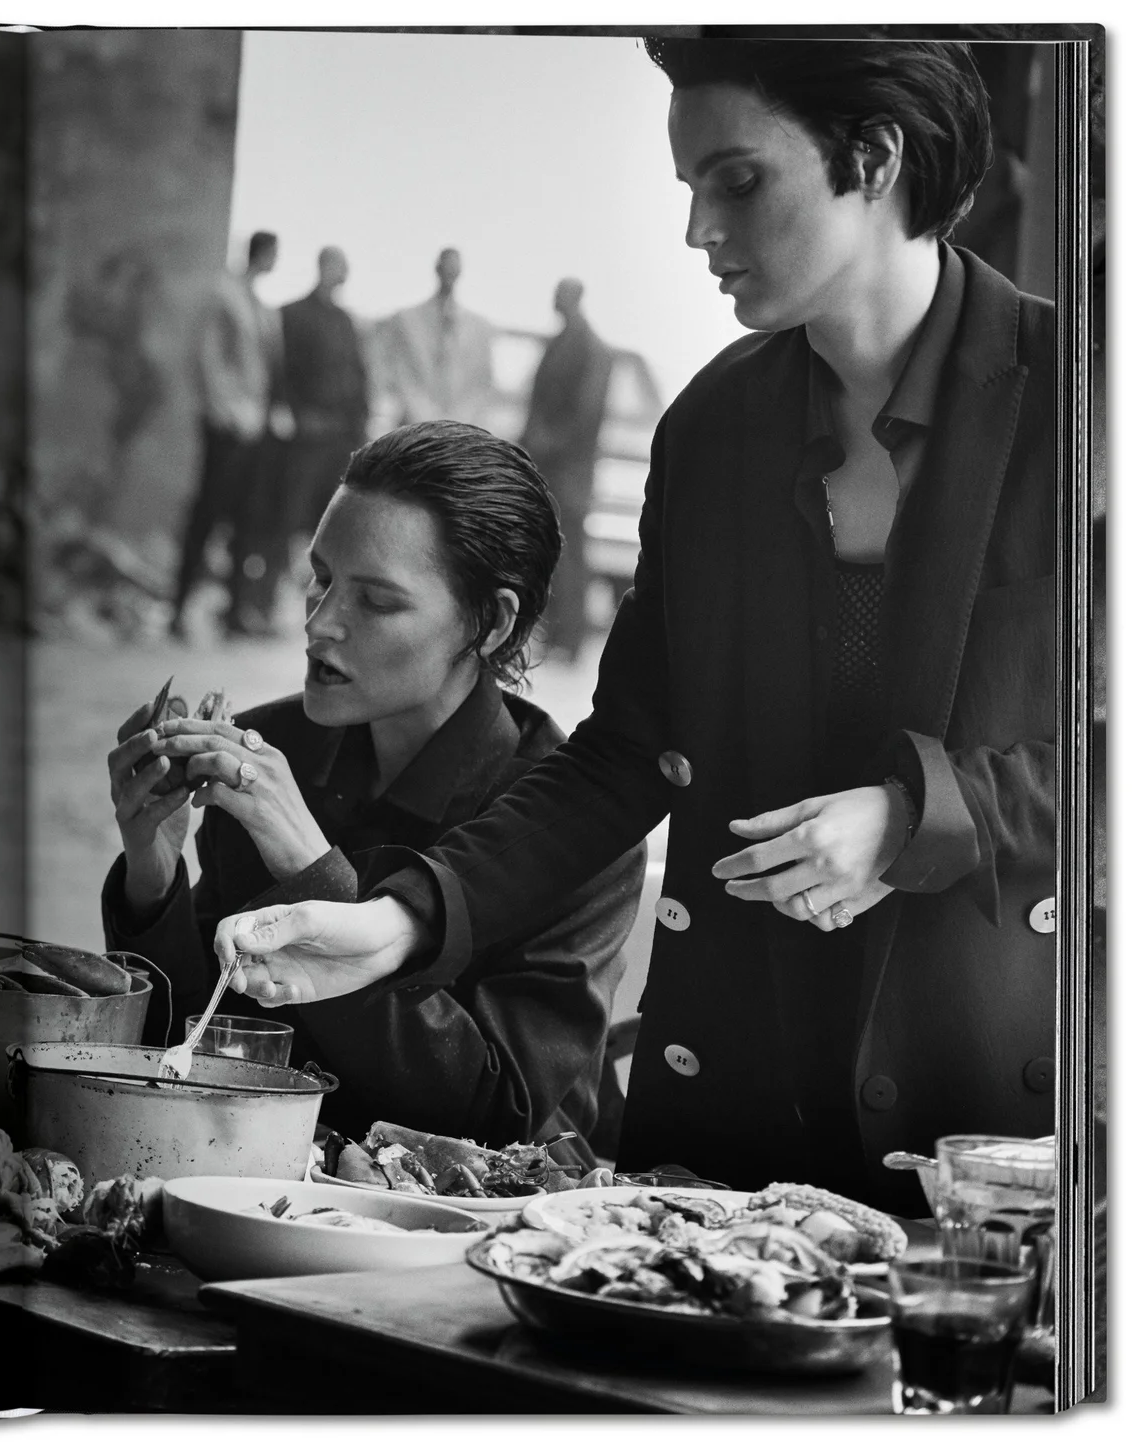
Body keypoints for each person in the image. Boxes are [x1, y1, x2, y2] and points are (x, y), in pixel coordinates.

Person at [212, 40, 1055, 1214]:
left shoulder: (1076, 395)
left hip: (987, 1105)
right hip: (733, 1077)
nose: (696, 228)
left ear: (872, 158)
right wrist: (401, 920)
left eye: (737, 181)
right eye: (686, 188)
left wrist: (914, 816)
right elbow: (622, 753)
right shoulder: (711, 427)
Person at [103, 422, 645, 1147]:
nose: (321, 624)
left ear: (490, 623)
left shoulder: (572, 819)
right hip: (267, 1171)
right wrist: (153, 872)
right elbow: (191, 1045)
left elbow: (496, 1112)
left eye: (377, 601)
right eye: (319, 578)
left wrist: (311, 870)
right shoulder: (274, 749)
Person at [172, 230, 286, 640]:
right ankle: (178, 608)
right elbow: (207, 357)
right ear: (263, 253)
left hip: (253, 427)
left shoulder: (262, 306)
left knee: (246, 517)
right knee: (207, 515)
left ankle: (235, 612)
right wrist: (223, 410)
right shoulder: (224, 294)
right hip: (226, 425)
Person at [254, 246, 368, 631]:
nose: (341, 275)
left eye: (345, 269)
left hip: (339, 442)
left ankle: (330, 613)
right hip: (303, 442)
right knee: (285, 521)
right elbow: (280, 373)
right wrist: (298, 419)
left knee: (335, 530)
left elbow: (358, 378)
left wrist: (359, 433)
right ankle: (262, 606)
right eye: (337, 267)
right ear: (323, 268)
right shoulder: (292, 314)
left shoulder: (345, 321)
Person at [520, 278, 616, 658]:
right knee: (550, 549)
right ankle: (556, 633)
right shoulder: (560, 342)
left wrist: (548, 440)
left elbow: (586, 415)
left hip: (569, 471)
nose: (555, 301)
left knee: (570, 551)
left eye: (561, 295)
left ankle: (570, 639)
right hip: (549, 467)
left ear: (576, 299)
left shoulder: (592, 350)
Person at [366, 248, 500, 435]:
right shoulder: (407, 321)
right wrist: (426, 418)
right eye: (446, 269)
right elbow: (401, 374)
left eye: (454, 270)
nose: (449, 275)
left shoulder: (479, 328)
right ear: (437, 269)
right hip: (415, 428)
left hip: (460, 432)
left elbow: (482, 383)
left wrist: (457, 422)